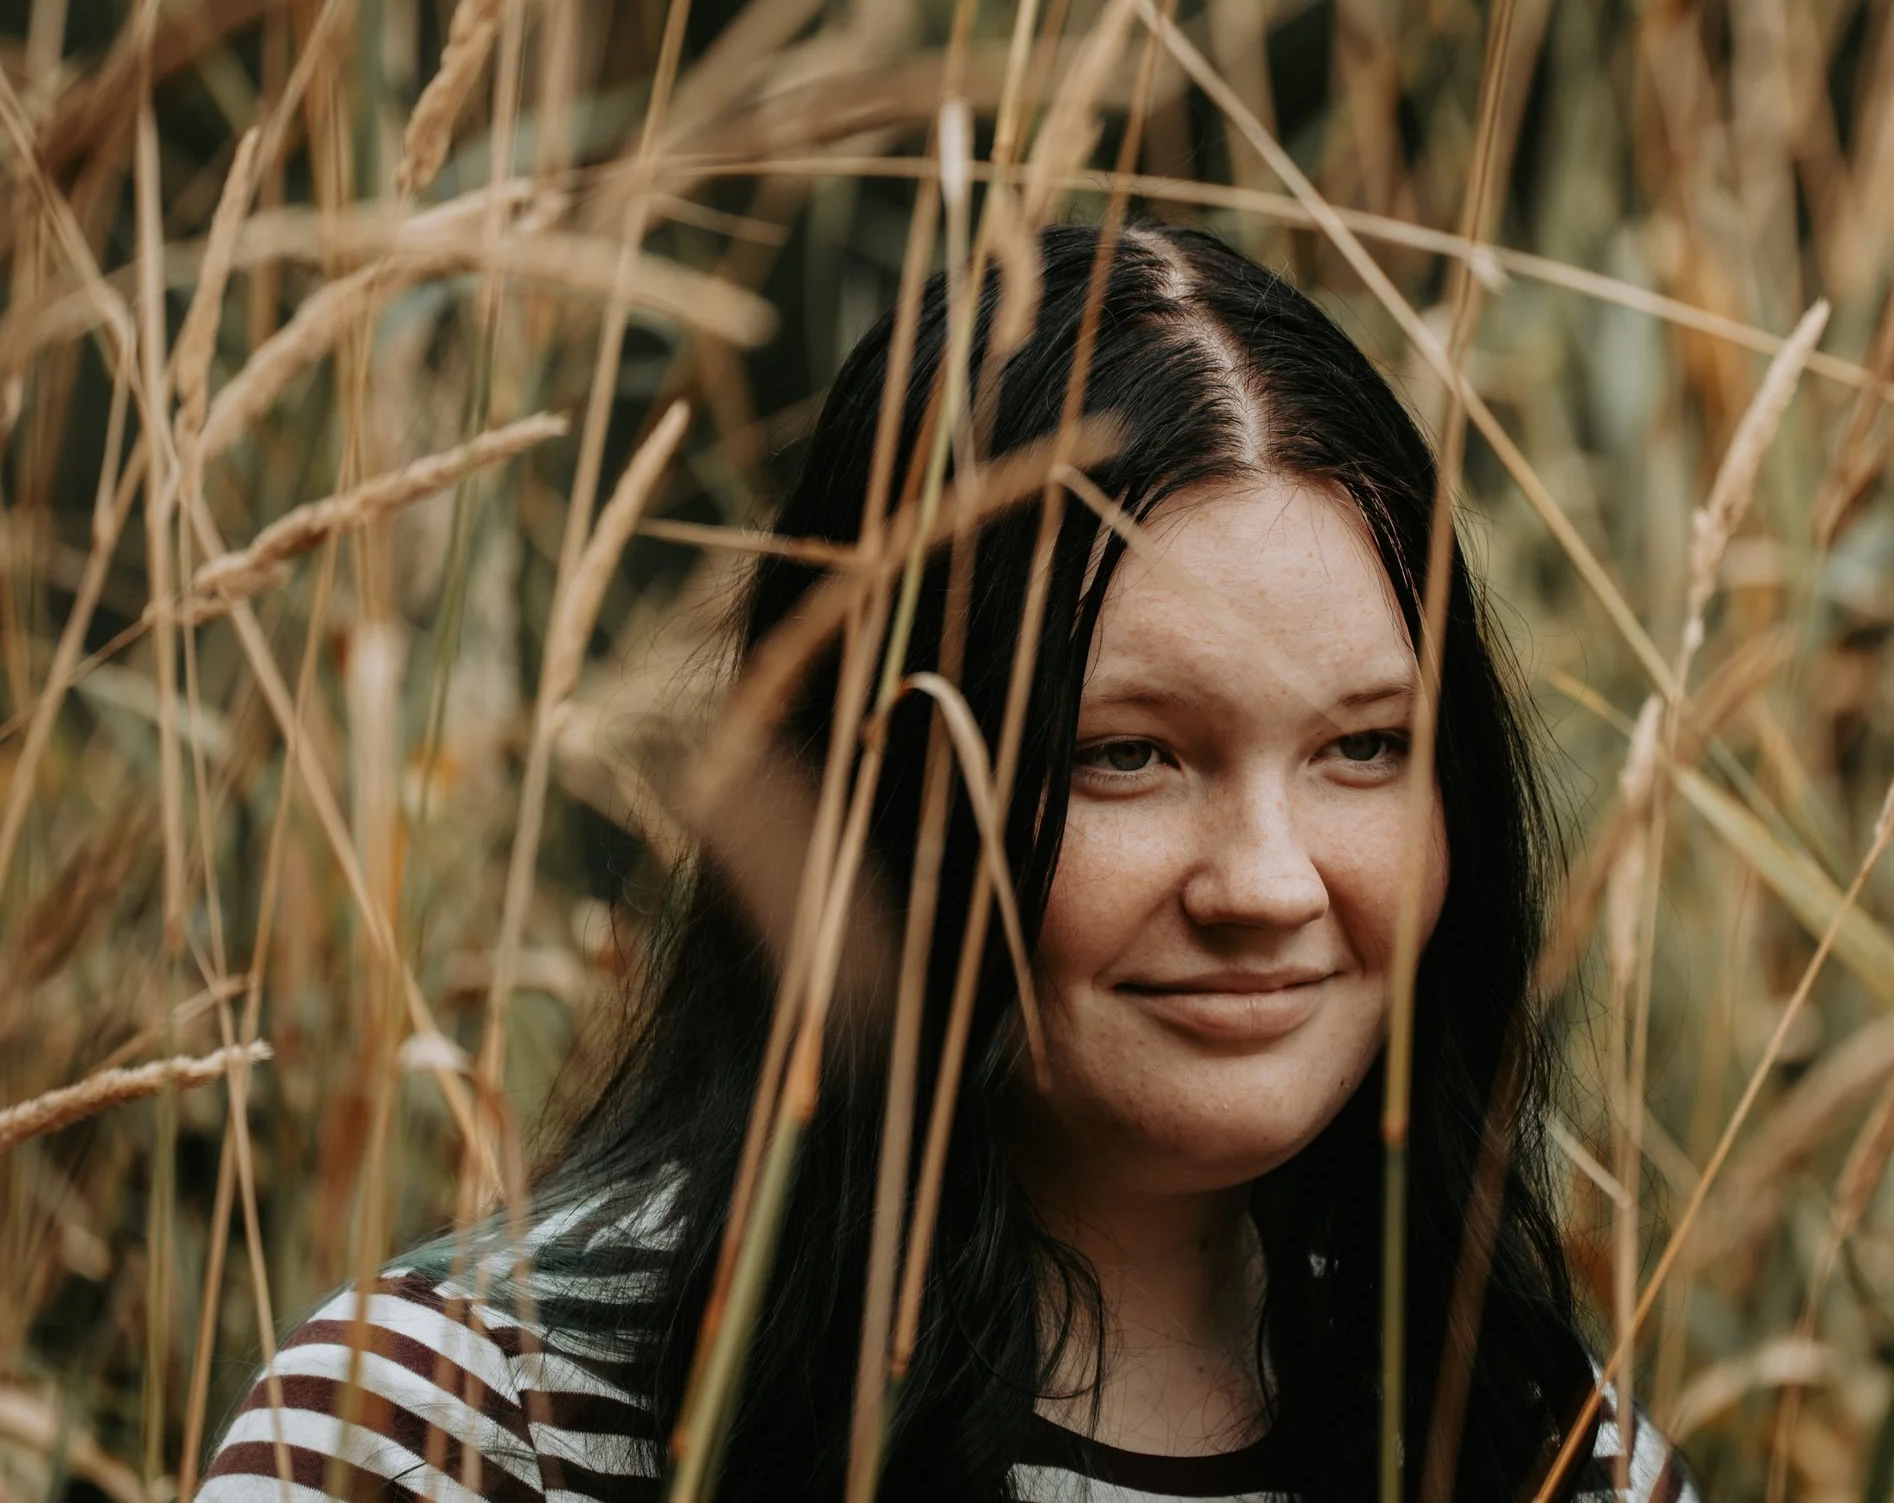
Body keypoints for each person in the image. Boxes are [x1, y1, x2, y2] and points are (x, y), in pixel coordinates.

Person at [202, 221, 1701, 1503]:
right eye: (1129, 754)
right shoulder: (450, 1426)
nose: (1271, 883)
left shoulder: (1545, 1450)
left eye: (1365, 746)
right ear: (877, 788)